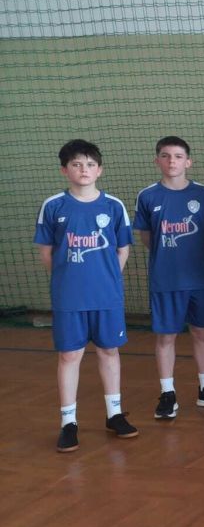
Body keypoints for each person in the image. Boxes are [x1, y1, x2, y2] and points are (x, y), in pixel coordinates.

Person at [36, 140, 138, 452]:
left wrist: (106, 278)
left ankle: (114, 414)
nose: (84, 170)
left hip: (106, 296)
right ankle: (68, 422)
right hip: (69, 298)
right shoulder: (53, 206)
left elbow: (122, 250)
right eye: (77, 164)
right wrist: (68, 279)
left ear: (100, 170)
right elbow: (47, 253)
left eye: (90, 164)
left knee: (109, 351)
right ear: (64, 170)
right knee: (69, 356)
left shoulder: (114, 206)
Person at [133, 136, 204, 421]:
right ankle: (168, 394)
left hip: (198, 278)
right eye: (165, 156)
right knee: (166, 337)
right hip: (165, 279)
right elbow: (147, 237)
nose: (171, 161)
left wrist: (188, 253)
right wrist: (169, 254)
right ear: (157, 161)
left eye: (177, 156)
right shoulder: (147, 196)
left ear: (188, 162)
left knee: (201, 333)